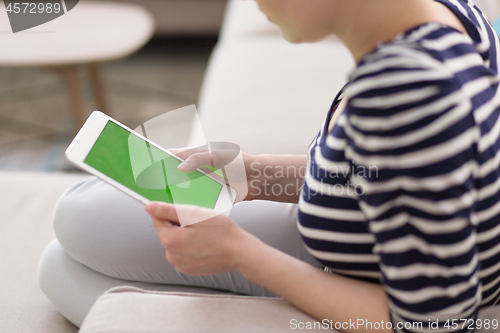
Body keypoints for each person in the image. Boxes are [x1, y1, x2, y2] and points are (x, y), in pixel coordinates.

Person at [39, 0, 500, 331]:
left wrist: (243, 256)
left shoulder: (407, 94)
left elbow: (440, 324)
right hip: (361, 251)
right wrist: (254, 174)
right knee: (64, 248)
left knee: (65, 254)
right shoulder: (449, 17)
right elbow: (388, 174)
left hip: (365, 290)